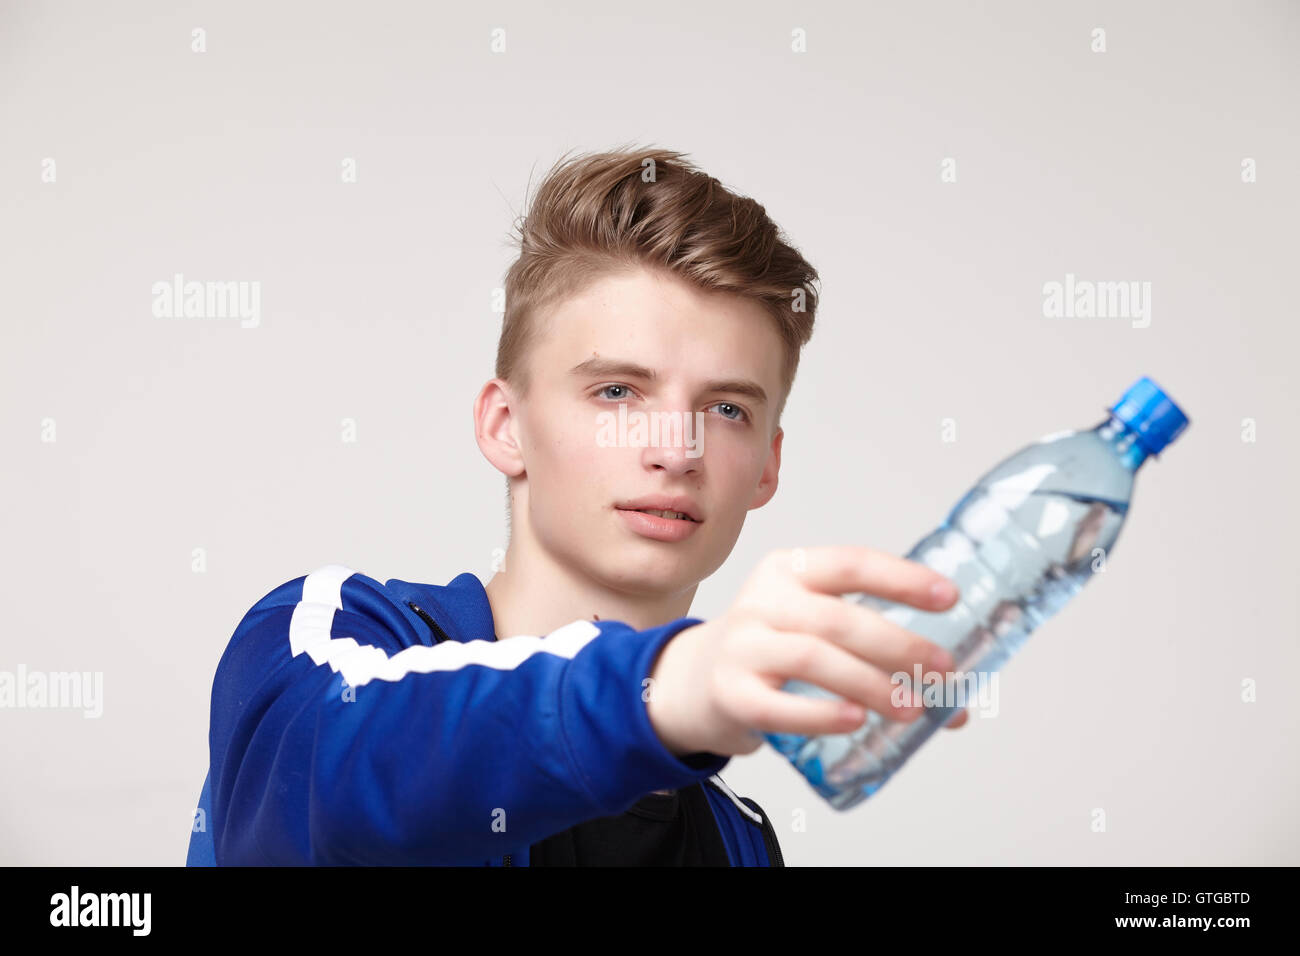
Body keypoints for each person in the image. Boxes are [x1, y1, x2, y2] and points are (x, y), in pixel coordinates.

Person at [186, 145, 967, 867]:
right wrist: (661, 685)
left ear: (768, 466)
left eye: (726, 409)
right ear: (506, 426)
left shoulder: (740, 842)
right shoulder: (331, 640)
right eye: (618, 391)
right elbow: (330, 789)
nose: (677, 449)